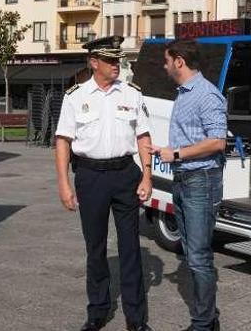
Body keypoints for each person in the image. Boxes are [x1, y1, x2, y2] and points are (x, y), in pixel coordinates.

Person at [55, 35, 155, 331]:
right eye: (111, 60)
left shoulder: (132, 94)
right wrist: (63, 183)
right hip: (90, 176)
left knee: (130, 248)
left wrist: (147, 175)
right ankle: (97, 311)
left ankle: (136, 319)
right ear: (93, 62)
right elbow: (62, 141)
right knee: (95, 247)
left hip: (126, 175)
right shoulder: (75, 96)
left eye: (118, 60)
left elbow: (143, 136)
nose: (117, 65)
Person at [151, 40, 227, 331]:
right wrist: (167, 151)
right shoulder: (184, 93)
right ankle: (209, 318)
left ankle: (203, 324)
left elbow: (217, 141)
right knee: (190, 252)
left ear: (179, 61)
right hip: (184, 178)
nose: (165, 65)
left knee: (197, 257)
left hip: (200, 180)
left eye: (167, 60)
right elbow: (193, 137)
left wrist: (178, 153)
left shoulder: (206, 94)